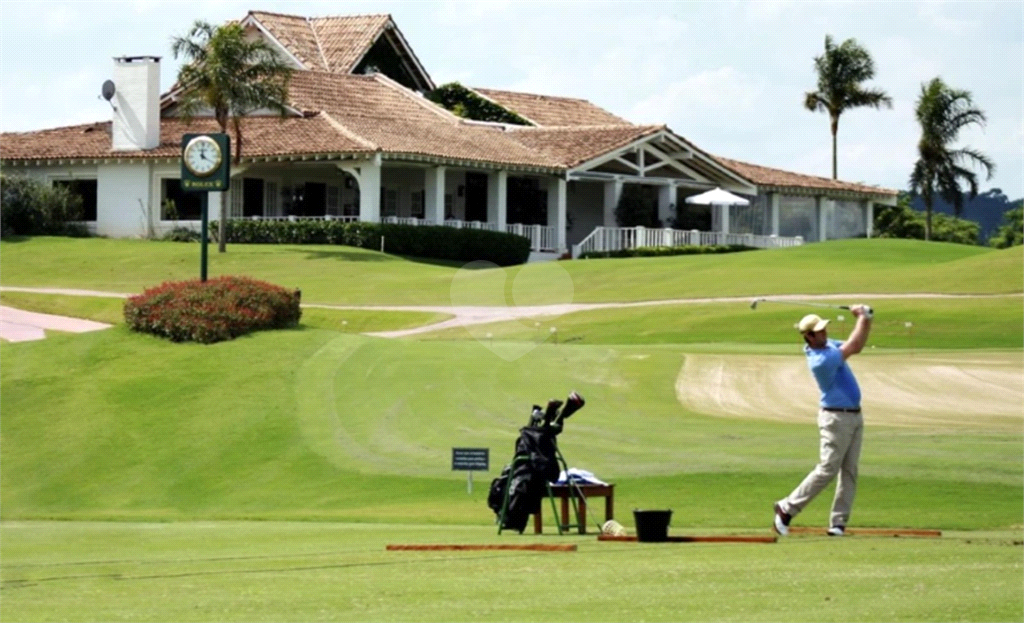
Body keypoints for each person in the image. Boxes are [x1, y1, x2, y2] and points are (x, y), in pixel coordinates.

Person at [773, 304, 873, 537]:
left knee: (849, 470)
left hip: (854, 415)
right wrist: (862, 316)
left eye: (824, 329)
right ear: (808, 336)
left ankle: (838, 523)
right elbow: (854, 345)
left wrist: (865, 320)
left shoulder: (827, 345)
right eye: (819, 331)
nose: (825, 333)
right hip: (835, 418)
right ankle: (786, 507)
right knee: (828, 468)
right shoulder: (820, 359)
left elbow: (855, 345)